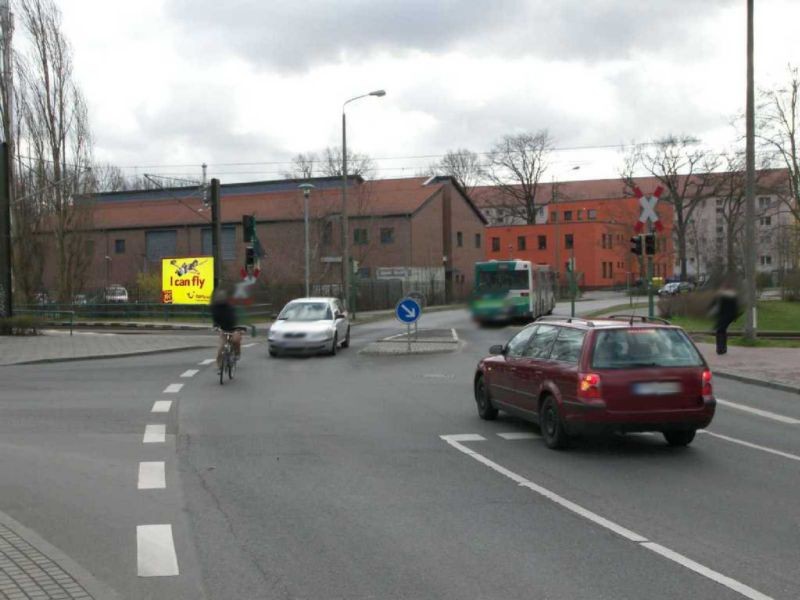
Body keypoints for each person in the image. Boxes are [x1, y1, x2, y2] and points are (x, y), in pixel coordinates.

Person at [210, 289, 242, 367]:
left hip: (233, 329)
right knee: (221, 348)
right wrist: (215, 326)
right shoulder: (215, 307)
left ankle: (237, 354)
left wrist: (237, 328)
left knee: (236, 341)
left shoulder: (230, 307)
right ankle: (219, 364)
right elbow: (215, 318)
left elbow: (234, 318)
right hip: (223, 330)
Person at [711, 280, 740, 355]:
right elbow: (735, 307)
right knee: (722, 331)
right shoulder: (733, 295)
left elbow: (714, 303)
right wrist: (735, 317)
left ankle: (720, 348)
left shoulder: (721, 294)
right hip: (729, 316)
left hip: (723, 316)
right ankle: (723, 348)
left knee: (719, 331)